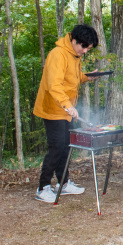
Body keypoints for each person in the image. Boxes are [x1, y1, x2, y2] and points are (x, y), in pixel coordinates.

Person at [33, 24, 101, 203]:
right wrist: (67, 105)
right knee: (56, 147)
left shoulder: (74, 55)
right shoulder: (58, 54)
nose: (85, 51)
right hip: (53, 109)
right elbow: (54, 84)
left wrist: (87, 77)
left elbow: (74, 76)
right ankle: (43, 187)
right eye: (84, 47)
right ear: (74, 40)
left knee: (66, 147)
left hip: (66, 110)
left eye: (88, 48)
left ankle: (63, 183)